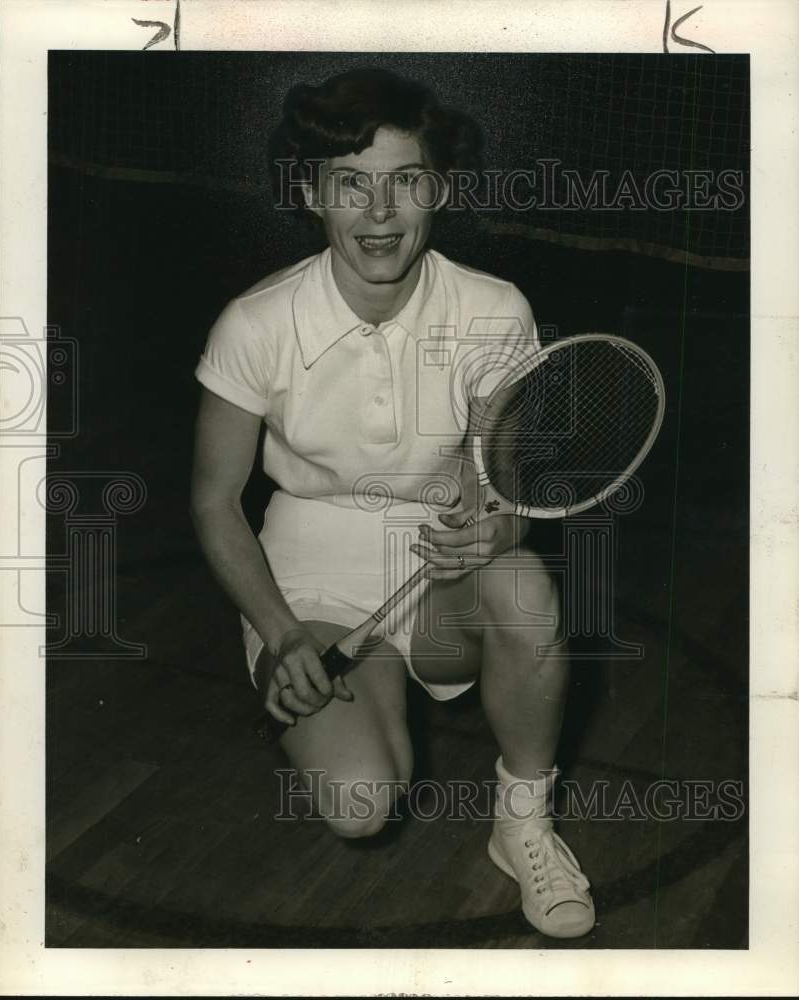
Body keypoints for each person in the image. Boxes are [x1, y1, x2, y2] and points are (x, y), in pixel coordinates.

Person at [190, 67, 594, 939]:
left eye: (405, 181)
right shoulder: (255, 324)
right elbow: (216, 501)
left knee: (526, 591)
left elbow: (507, 485)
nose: (380, 212)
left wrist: (499, 524)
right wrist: (283, 633)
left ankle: (523, 819)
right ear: (311, 195)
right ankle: (346, 699)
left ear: (437, 190)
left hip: (440, 569)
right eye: (351, 185)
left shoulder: (493, 310)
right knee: (361, 802)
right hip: (309, 579)